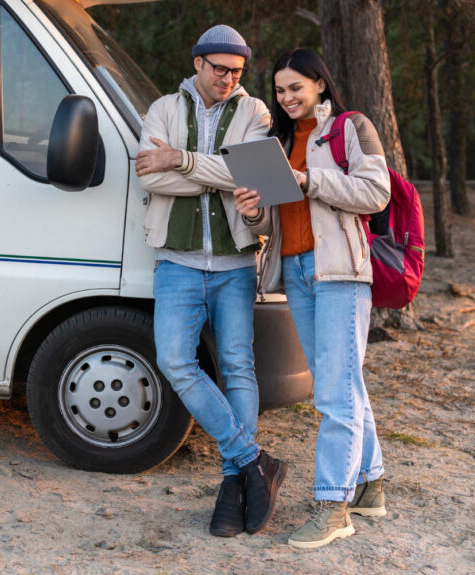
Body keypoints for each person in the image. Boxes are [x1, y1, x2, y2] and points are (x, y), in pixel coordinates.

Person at [233, 48, 391, 549]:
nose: (287, 97)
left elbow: (376, 192)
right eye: (279, 90)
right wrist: (254, 210)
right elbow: (271, 223)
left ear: (319, 84)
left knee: (334, 393)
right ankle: (369, 484)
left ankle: (333, 506)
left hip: (341, 271)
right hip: (297, 272)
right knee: (338, 381)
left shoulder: (350, 127)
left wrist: (309, 180)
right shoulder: (276, 141)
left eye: (295, 87)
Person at [135, 25, 287, 537]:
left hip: (235, 263)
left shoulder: (256, 112)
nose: (227, 78)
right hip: (176, 261)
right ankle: (252, 461)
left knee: (238, 367)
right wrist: (224, 170)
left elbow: (258, 177)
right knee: (176, 360)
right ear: (197, 62)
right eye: (219, 68)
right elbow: (149, 176)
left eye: (236, 71)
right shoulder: (161, 110)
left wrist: (179, 159)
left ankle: (232, 483)